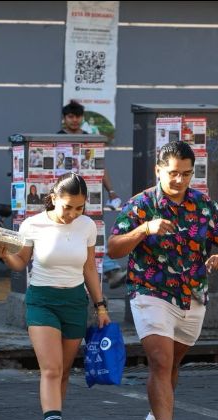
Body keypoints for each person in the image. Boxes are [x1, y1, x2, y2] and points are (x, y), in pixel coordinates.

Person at [107, 140, 218, 420]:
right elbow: (113, 247)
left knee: (172, 364)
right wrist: (144, 229)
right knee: (160, 361)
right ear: (158, 170)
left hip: (192, 295)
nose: (179, 180)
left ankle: (155, 416)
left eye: (186, 173)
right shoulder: (141, 204)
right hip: (150, 291)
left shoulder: (204, 205)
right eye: (173, 173)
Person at [0, 173, 110, 420]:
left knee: (64, 371)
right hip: (42, 301)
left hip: (75, 302)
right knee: (52, 369)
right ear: (53, 198)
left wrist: (101, 306)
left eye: (79, 208)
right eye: (68, 207)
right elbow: (20, 263)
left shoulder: (87, 226)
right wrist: (3, 254)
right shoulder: (33, 224)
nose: (73, 214)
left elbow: (89, 268)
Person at [58, 101, 127, 289]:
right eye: (70, 116)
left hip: (88, 198)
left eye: (78, 116)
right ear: (64, 119)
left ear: (82, 118)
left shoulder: (91, 140)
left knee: (90, 235)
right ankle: (110, 271)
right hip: (65, 199)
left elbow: (100, 168)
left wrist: (111, 191)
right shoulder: (56, 139)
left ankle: (108, 271)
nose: (74, 120)